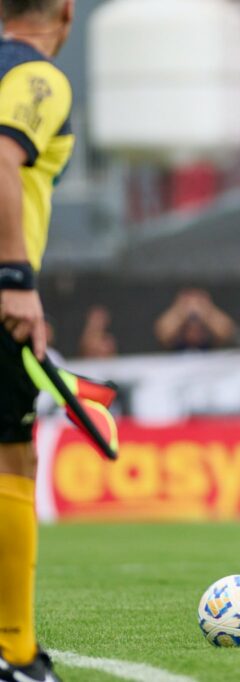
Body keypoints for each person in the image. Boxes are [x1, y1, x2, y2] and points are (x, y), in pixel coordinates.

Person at [0, 1, 75, 680]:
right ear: (66, 13)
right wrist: (15, 277)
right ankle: (15, 653)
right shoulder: (37, 78)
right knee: (12, 459)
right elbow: (1, 155)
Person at [153, 288, 236, 351]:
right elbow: (162, 332)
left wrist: (207, 309)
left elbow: (226, 331)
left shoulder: (211, 335)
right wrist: (181, 310)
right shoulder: (175, 337)